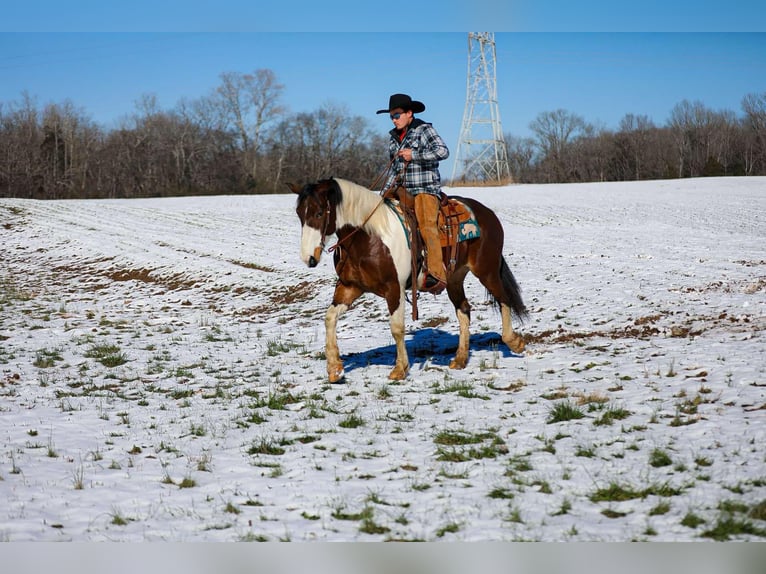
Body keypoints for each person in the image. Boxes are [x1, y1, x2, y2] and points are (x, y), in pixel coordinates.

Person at [377, 93, 450, 294]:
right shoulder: (393, 138)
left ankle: (436, 274)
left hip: (424, 188)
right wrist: (382, 195)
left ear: (409, 113)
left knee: (427, 225)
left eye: (397, 114)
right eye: (391, 116)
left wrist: (414, 155)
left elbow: (443, 151)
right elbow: (393, 170)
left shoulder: (424, 130)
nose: (394, 119)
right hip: (402, 188)